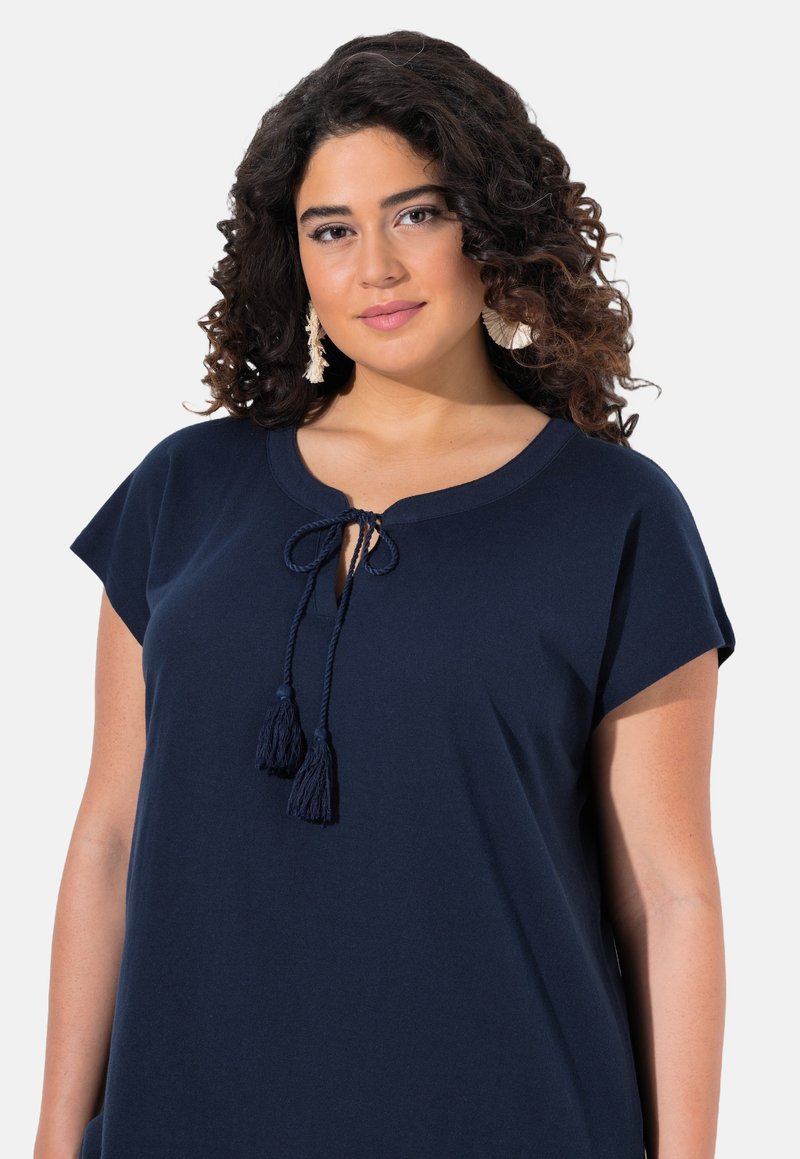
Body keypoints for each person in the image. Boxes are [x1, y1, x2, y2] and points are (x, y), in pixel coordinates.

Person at [36, 30, 736, 1159]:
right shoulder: (183, 491)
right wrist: (53, 1139)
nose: (376, 267)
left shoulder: (616, 514)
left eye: (416, 214)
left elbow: (667, 894)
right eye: (332, 229)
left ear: (490, 225)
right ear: (293, 257)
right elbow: (108, 839)